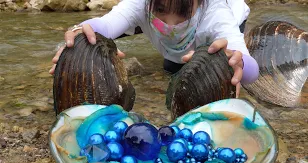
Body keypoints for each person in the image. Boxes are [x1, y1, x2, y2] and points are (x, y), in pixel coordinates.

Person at [49, 0, 259, 96]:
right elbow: (106, 24)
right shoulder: (140, 4)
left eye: (182, 12)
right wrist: (78, 32)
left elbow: (251, 73)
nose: (170, 23)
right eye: (159, 9)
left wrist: (238, 61)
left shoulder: (216, 12)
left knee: (209, 73)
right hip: (185, 42)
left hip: (234, 15)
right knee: (172, 68)